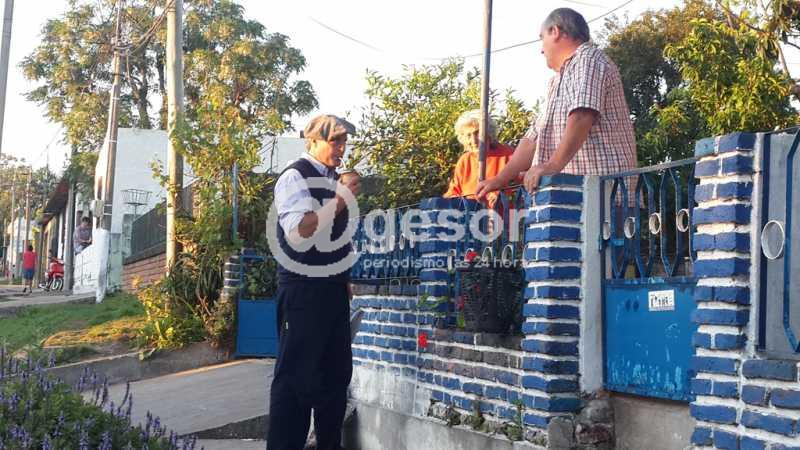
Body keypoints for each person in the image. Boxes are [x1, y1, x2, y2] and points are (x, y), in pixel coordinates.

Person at [268, 114, 360, 450]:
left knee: (334, 381)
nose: (341, 148)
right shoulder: (295, 177)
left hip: (332, 291)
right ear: (314, 141)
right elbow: (300, 232)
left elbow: (337, 237)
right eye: (335, 140)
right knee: (295, 383)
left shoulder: (332, 179)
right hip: (303, 291)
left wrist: (344, 275)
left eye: (344, 141)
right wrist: (338, 201)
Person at [476, 8, 637, 200]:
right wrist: (500, 179)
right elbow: (532, 140)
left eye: (541, 38)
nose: (541, 49)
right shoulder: (556, 81)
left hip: (602, 194)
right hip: (566, 198)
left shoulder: (588, 59)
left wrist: (551, 166)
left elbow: (582, 116)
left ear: (555, 31)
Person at [444, 110, 520, 204]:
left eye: (477, 133)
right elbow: (454, 192)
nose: (473, 140)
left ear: (489, 133)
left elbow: (524, 186)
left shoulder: (509, 155)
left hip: (506, 216)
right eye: (468, 135)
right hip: (471, 216)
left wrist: (503, 195)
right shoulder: (465, 160)